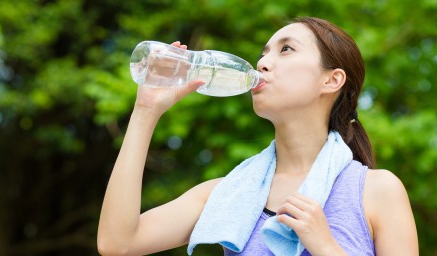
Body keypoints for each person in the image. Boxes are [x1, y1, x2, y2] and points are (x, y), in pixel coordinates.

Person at [98, 17, 418, 255]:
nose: (263, 62)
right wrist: (145, 111)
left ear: (331, 80)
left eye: (286, 49)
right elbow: (118, 243)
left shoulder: (377, 191)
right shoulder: (228, 194)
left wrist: (325, 246)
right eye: (264, 53)